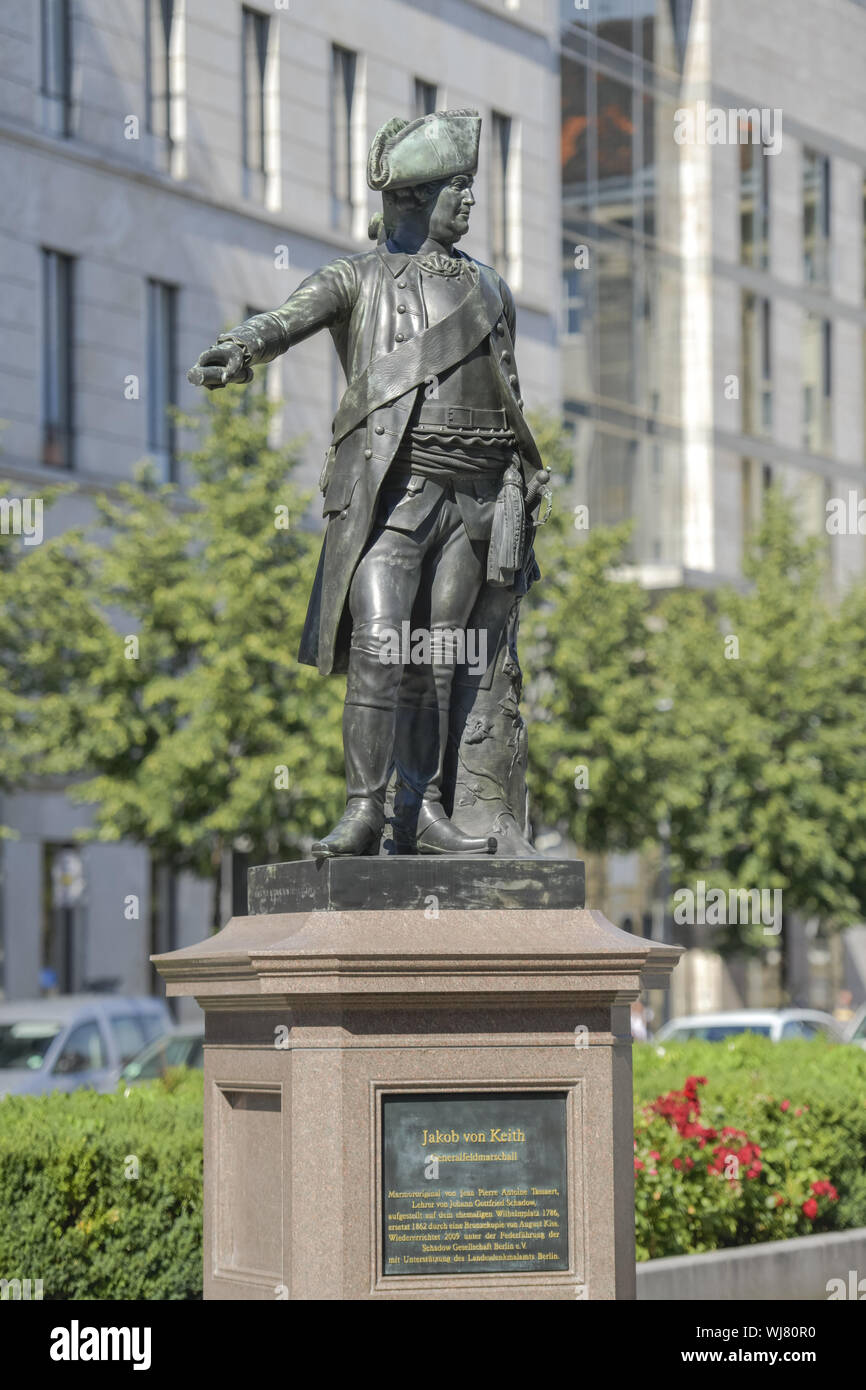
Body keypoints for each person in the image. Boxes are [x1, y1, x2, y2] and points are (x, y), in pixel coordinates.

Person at [188, 110, 547, 859]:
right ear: (414, 197)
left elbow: (511, 395)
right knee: (383, 644)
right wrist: (239, 347)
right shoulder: (355, 279)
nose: (471, 202)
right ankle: (362, 811)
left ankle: (422, 810)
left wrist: (519, 484)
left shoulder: (491, 290)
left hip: (472, 503)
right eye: (459, 187)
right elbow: (286, 318)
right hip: (395, 497)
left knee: (435, 660)